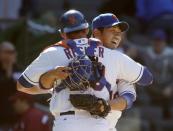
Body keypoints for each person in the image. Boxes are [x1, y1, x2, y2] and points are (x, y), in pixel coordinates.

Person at [17, 10, 153, 131]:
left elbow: (22, 86)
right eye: (112, 31)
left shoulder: (54, 52)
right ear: (91, 31)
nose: (117, 35)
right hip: (99, 123)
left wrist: (49, 79)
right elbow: (146, 78)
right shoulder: (118, 59)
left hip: (69, 122)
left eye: (119, 32)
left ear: (63, 34)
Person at [0, 41, 21, 130]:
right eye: (8, 52)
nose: (11, 55)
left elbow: (20, 91)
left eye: (13, 52)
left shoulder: (18, 70)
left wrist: (10, 69)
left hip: (14, 117)